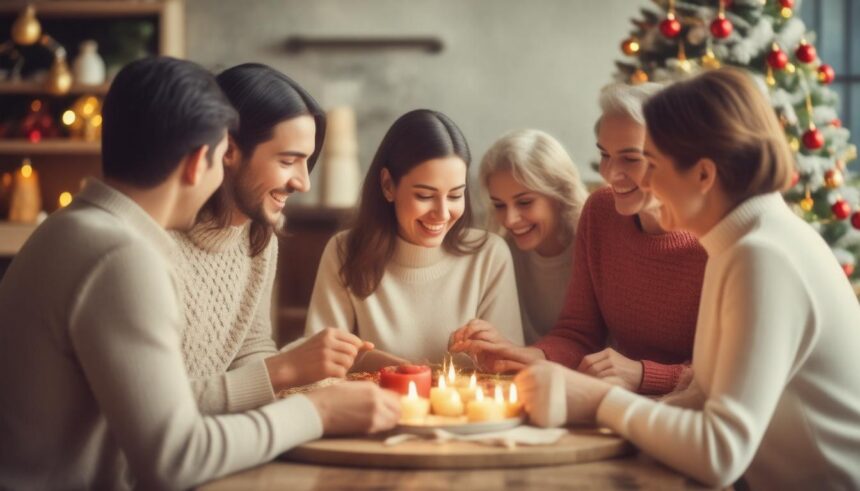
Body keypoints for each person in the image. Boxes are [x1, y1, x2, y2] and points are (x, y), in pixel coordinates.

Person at [0, 57, 399, 490]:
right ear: (200, 162)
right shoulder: (120, 256)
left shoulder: (84, 229)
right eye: (219, 155)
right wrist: (318, 411)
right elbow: (176, 458)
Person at [516, 68, 860, 490]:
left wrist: (600, 401)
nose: (642, 181)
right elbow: (701, 398)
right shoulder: (734, 240)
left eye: (651, 164)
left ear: (703, 174)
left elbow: (720, 455)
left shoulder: (762, 255)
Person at [451, 83, 707, 396]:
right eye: (605, 155)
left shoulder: (715, 238)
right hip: (616, 402)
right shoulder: (601, 211)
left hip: (691, 413)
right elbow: (577, 333)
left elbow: (728, 373)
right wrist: (523, 356)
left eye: (630, 158)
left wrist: (643, 373)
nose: (611, 173)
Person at [174, 63, 372, 414]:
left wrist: (302, 380)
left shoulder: (259, 239)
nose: (303, 183)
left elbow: (250, 349)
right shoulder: (156, 244)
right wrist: (289, 367)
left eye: (306, 162)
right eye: (288, 161)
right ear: (229, 150)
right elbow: (154, 407)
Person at [304, 109, 523, 369]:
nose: (442, 213)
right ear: (388, 185)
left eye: (455, 196)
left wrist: (496, 354)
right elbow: (319, 367)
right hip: (370, 408)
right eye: (425, 196)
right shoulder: (344, 251)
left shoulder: (489, 255)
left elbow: (507, 372)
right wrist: (396, 370)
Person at [473, 129, 588, 344]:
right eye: (499, 205)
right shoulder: (501, 254)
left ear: (560, 193)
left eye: (524, 202)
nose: (510, 220)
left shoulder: (593, 249)